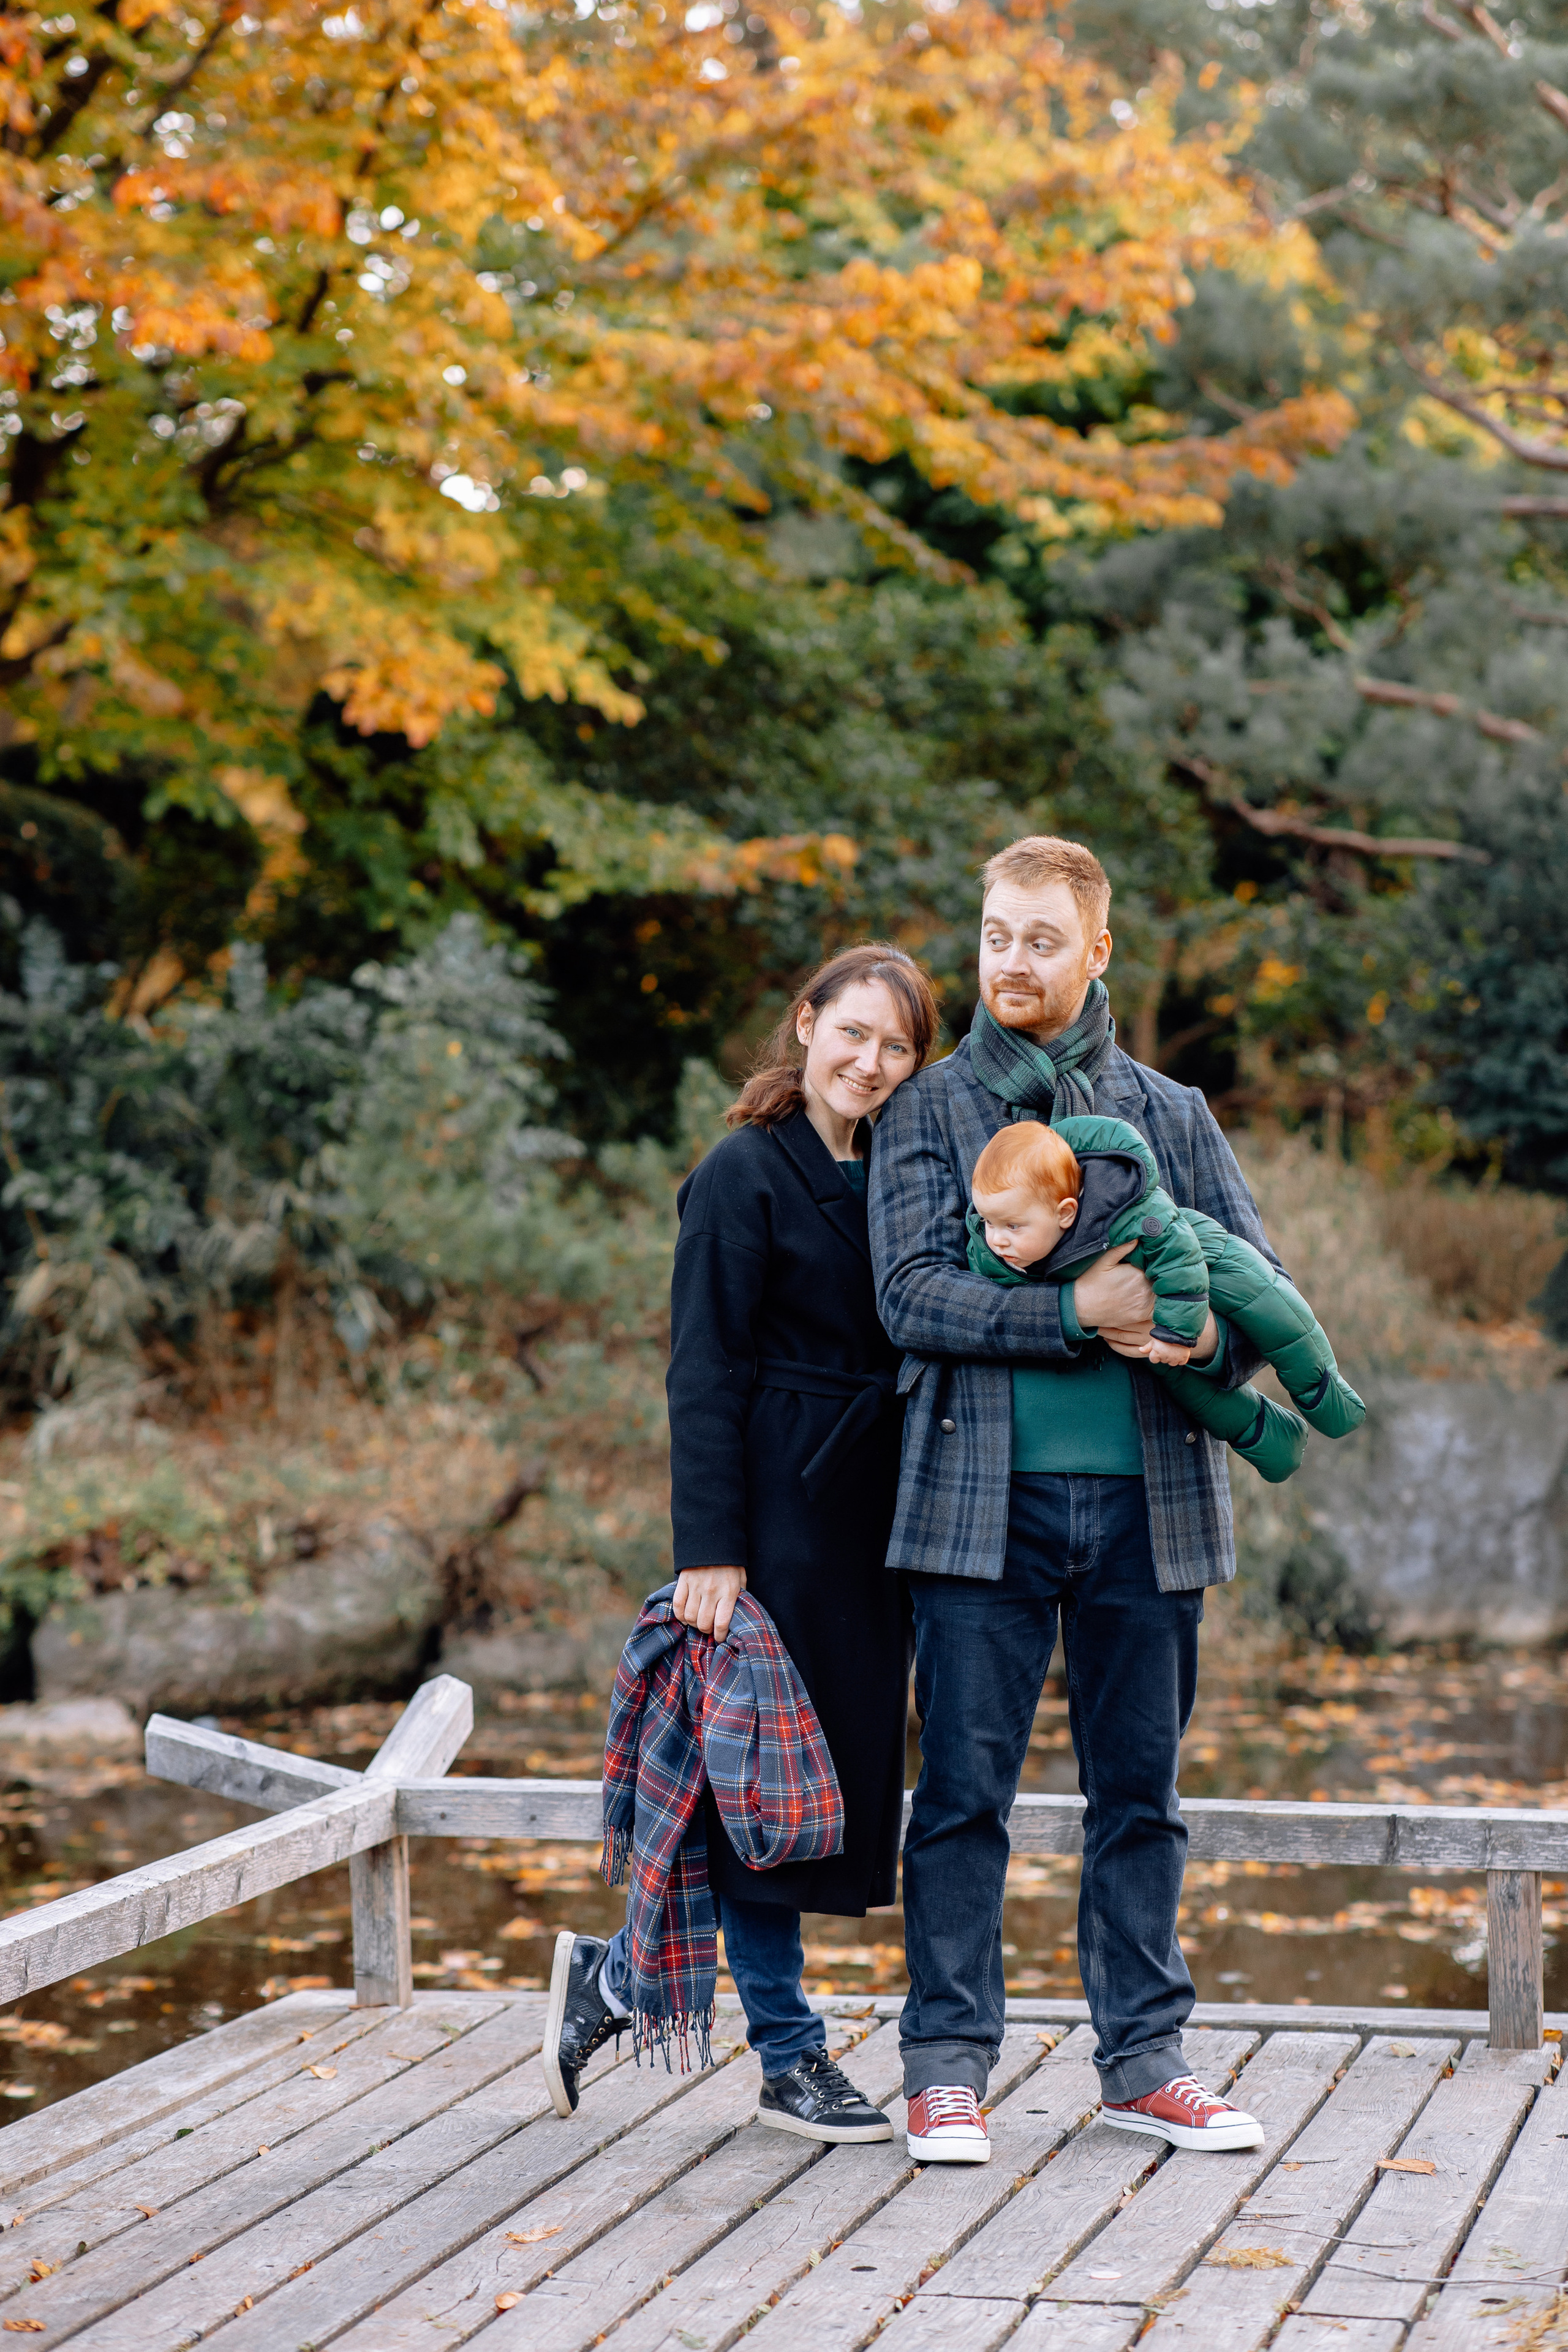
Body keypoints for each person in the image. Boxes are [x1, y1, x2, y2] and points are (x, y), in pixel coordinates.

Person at [869, 834, 1287, 2166]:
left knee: (1140, 1797)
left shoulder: (1171, 1114)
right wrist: (1074, 1312)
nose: (1011, 962)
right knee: (958, 1797)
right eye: (995, 935)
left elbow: (1253, 1297)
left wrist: (1190, 1340)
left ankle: (1143, 2063)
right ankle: (943, 2068)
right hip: (972, 1513)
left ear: (1096, 950)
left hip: (1150, 1514)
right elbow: (911, 1298)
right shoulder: (928, 1113)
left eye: (1041, 939)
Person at [545, 941, 939, 2141]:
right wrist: (707, 1547)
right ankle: (787, 2054)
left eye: (894, 1046)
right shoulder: (739, 1174)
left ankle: (615, 1978)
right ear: (807, 1023)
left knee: (808, 1802)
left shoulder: (904, 1175)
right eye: (851, 1033)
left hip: (876, 1524)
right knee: (755, 1795)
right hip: (769, 1521)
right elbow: (701, 1369)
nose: (867, 1062)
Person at [966, 1115, 1363, 1483]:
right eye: (988, 1223)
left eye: (1012, 1226)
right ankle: (1275, 1441)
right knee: (1195, 1395)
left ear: (1065, 1213)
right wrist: (1078, 1306)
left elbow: (1180, 1256)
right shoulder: (1009, 1250)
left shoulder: (1123, 1206)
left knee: (1273, 1310)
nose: (997, 1239)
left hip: (1207, 1263)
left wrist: (1182, 1331)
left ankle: (1329, 1395)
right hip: (1142, 1341)